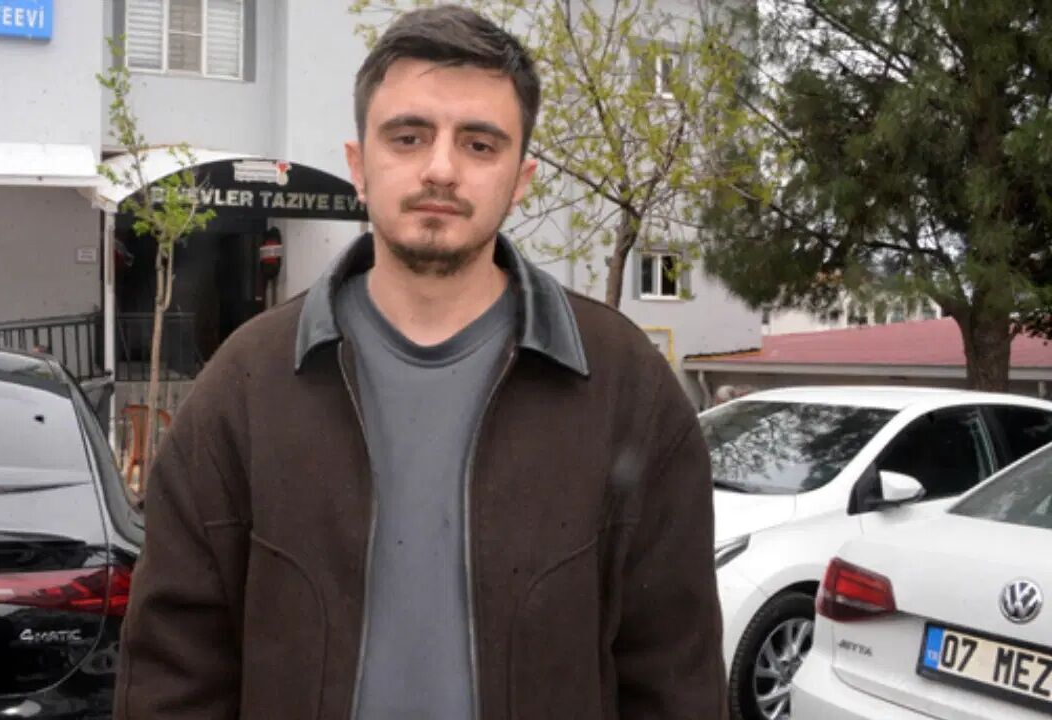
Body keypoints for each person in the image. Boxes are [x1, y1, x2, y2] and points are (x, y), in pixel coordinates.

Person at [113, 5, 726, 719]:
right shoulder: (245, 387)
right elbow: (173, 677)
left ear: (521, 179)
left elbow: (674, 679)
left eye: (479, 144)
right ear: (358, 165)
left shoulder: (626, 388)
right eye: (408, 137)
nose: (441, 169)